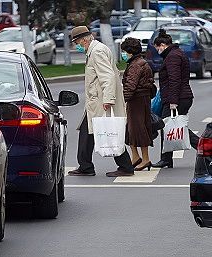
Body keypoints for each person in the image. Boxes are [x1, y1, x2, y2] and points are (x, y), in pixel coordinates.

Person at [68, 26, 134, 177]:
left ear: (84, 39)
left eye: (77, 42)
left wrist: (108, 99)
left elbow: (108, 76)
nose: (76, 45)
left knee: (109, 132)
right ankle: (85, 166)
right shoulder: (95, 50)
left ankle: (125, 166)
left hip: (101, 101)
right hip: (96, 101)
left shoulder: (96, 52)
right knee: (87, 132)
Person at [152, 29, 199, 168]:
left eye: (157, 48)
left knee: (173, 127)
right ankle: (166, 158)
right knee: (171, 126)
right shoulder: (175, 53)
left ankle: (206, 149)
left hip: (178, 99)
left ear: (162, 45)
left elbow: (174, 80)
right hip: (180, 97)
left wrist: (173, 101)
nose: (157, 51)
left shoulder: (172, 57)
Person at [121, 38, 154, 171]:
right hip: (141, 99)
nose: (123, 54)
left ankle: (145, 159)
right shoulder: (139, 62)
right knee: (132, 130)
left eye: (124, 51)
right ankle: (135, 157)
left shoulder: (136, 65)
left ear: (129, 51)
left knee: (139, 129)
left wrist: (124, 99)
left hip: (137, 100)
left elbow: (131, 85)